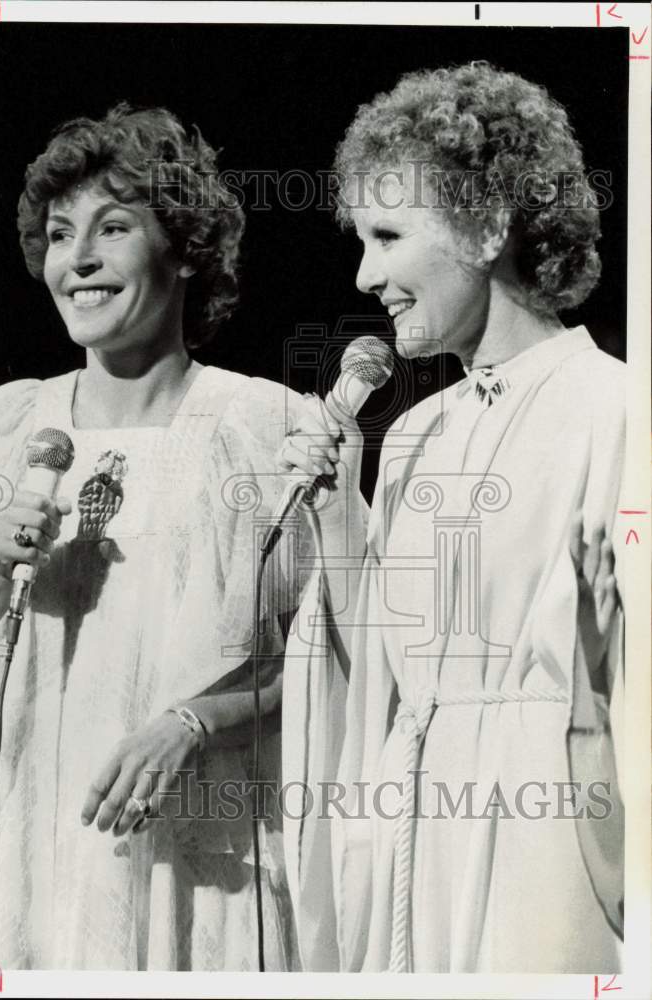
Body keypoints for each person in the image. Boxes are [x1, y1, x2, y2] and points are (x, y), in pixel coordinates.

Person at [0, 102, 331, 970]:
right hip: (24, 848)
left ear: (181, 248)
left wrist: (195, 720)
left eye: (112, 227)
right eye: (61, 235)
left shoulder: (267, 425)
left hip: (200, 860)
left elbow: (323, 659)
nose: (80, 260)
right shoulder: (6, 422)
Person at [279, 62, 625, 973]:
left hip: (548, 839)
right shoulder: (418, 431)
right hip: (416, 831)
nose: (367, 275)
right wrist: (341, 511)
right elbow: (385, 667)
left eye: (389, 235)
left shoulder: (617, 410)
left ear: (488, 223)